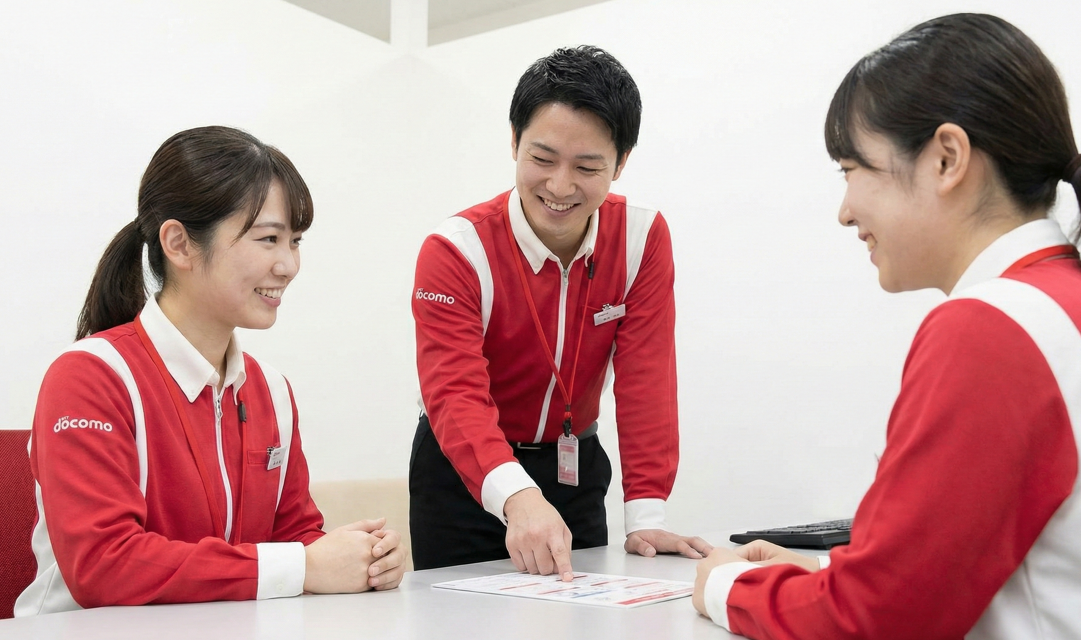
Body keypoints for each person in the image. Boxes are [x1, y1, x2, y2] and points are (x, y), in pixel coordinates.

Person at [692, 13, 1081, 639]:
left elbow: (875, 620)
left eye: (852, 170)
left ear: (947, 159)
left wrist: (723, 583)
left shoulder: (994, 330)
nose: (845, 212)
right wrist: (830, 570)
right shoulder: (1060, 302)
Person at [16, 126, 406, 616]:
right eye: (269, 239)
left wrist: (365, 560)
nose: (288, 265)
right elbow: (103, 565)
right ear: (179, 244)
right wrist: (305, 566)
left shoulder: (272, 391)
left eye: (295, 241)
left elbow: (294, 538)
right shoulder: (89, 378)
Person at [410, 45, 711, 577]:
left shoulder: (641, 238)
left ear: (621, 162)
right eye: (542, 159)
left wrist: (646, 516)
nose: (560, 186)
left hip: (573, 471)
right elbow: (454, 393)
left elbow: (647, 378)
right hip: (464, 474)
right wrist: (517, 496)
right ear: (514, 141)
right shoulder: (456, 249)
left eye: (587, 167)